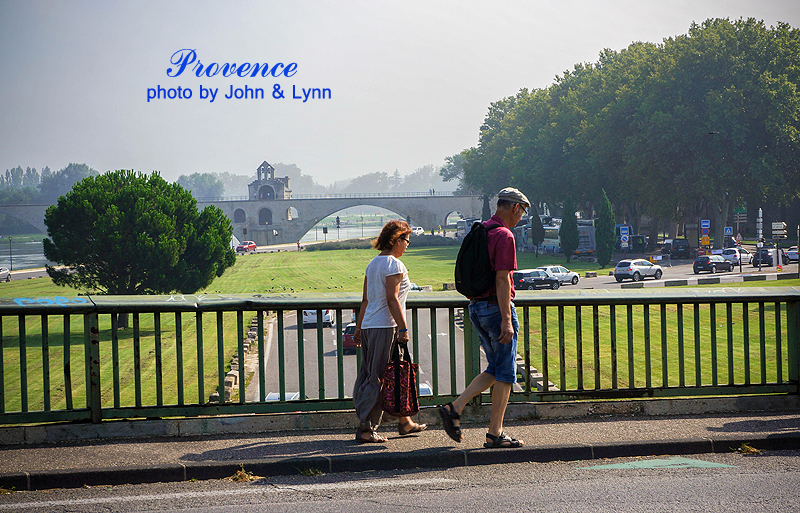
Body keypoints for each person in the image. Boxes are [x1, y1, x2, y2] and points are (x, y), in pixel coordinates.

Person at [439, 187, 530, 448]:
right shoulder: (504, 235)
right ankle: (495, 433)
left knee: (495, 367)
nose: (520, 218)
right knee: (505, 374)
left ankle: (454, 408)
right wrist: (506, 319)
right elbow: (503, 279)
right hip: (496, 309)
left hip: (476, 307)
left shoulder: (482, 230)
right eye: (522, 212)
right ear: (515, 207)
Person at [352, 219, 427, 443]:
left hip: (370, 326)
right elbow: (392, 299)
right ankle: (366, 429)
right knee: (378, 378)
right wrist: (403, 328)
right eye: (406, 240)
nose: (407, 245)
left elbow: (366, 300)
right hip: (386, 327)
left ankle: (405, 422)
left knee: (390, 373)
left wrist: (358, 328)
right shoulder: (394, 265)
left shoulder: (373, 264)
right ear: (396, 240)